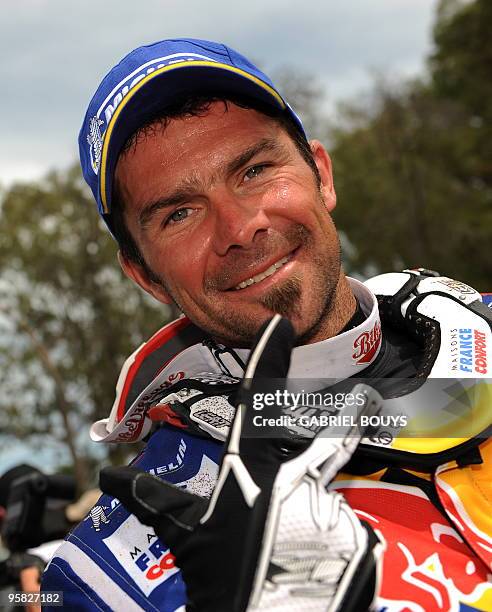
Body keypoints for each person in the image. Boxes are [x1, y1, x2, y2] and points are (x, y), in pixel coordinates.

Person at [41, 38, 492, 611]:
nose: (238, 227)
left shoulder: (479, 334)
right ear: (145, 275)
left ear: (321, 175)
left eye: (254, 170)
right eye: (179, 213)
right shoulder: (106, 570)